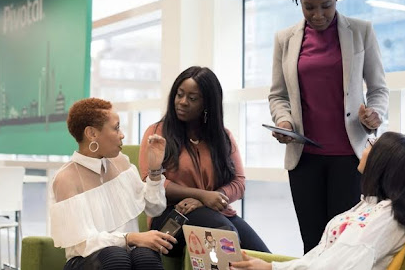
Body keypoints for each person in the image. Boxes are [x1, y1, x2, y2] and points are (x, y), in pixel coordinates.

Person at [268, 0, 389, 253]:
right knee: (312, 243)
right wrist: (284, 121)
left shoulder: (361, 32)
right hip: (303, 158)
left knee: (344, 244)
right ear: (299, 1)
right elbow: (277, 95)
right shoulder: (285, 39)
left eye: (326, 5)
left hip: (350, 158)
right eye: (309, 7)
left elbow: (378, 89)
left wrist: (375, 114)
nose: (318, 14)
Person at [230, 132, 405, 270]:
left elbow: (337, 266)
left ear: (383, 162)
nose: (365, 146)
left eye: (371, 144)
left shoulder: (387, 219)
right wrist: (270, 267)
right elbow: (321, 258)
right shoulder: (369, 206)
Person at [139, 66, 270, 257]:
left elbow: (239, 183)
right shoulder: (157, 132)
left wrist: (208, 199)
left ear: (207, 103)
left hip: (216, 213)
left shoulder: (223, 137)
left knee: (263, 257)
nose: (182, 102)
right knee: (223, 233)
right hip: (171, 221)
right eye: (179, 95)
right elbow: (150, 181)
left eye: (192, 98)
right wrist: (202, 195)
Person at [50, 98, 177, 270]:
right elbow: (82, 244)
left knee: (145, 255)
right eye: (116, 128)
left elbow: (155, 208)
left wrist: (154, 170)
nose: (122, 134)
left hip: (126, 253)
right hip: (85, 261)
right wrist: (129, 238)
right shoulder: (66, 178)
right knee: (115, 256)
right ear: (92, 134)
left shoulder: (121, 163)